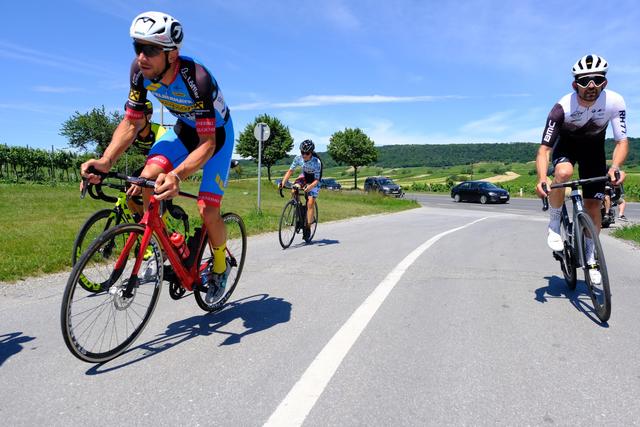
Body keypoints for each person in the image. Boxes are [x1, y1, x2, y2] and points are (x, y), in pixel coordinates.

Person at [81, 11, 234, 304]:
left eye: (150, 49)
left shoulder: (196, 79)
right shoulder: (139, 72)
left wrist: (177, 176)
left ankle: (218, 266)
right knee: (142, 183)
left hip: (216, 136)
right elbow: (131, 123)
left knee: (207, 209)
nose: (141, 56)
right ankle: (165, 243)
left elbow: (207, 143)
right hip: (182, 130)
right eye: (137, 47)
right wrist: (105, 161)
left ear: (172, 54)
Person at [535, 54, 628, 285]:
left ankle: (590, 257)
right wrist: (541, 178)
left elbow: (622, 142)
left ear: (604, 82)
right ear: (575, 84)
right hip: (565, 147)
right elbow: (545, 149)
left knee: (593, 206)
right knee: (563, 174)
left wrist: (615, 167)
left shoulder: (614, 102)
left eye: (597, 79)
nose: (591, 85)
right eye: (585, 80)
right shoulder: (562, 107)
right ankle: (555, 224)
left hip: (593, 152)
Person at [278, 140, 322, 240]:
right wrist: (283, 183)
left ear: (311, 153)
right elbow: (290, 171)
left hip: (314, 180)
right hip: (304, 176)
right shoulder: (298, 158)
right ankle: (300, 210)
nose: (304, 155)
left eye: (307, 153)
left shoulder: (317, 162)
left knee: (310, 203)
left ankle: (308, 227)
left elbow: (317, 179)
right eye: (302, 152)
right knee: (294, 190)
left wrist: (309, 187)